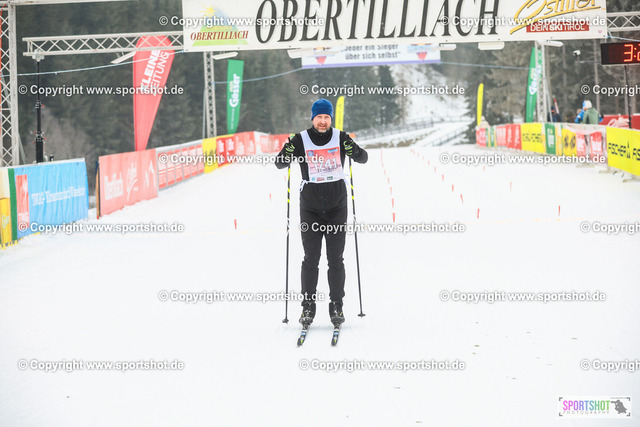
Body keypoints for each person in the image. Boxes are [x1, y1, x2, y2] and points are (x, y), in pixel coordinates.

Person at [275, 99, 368, 327]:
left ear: (331, 118)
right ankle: (308, 306)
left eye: (327, 117)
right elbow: (280, 163)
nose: (323, 121)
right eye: (319, 117)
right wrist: (287, 151)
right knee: (311, 259)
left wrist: (354, 150)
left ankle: (336, 305)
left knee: (336, 259)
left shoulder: (340, 137)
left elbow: (363, 158)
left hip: (337, 207)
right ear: (313, 118)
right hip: (310, 209)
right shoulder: (300, 139)